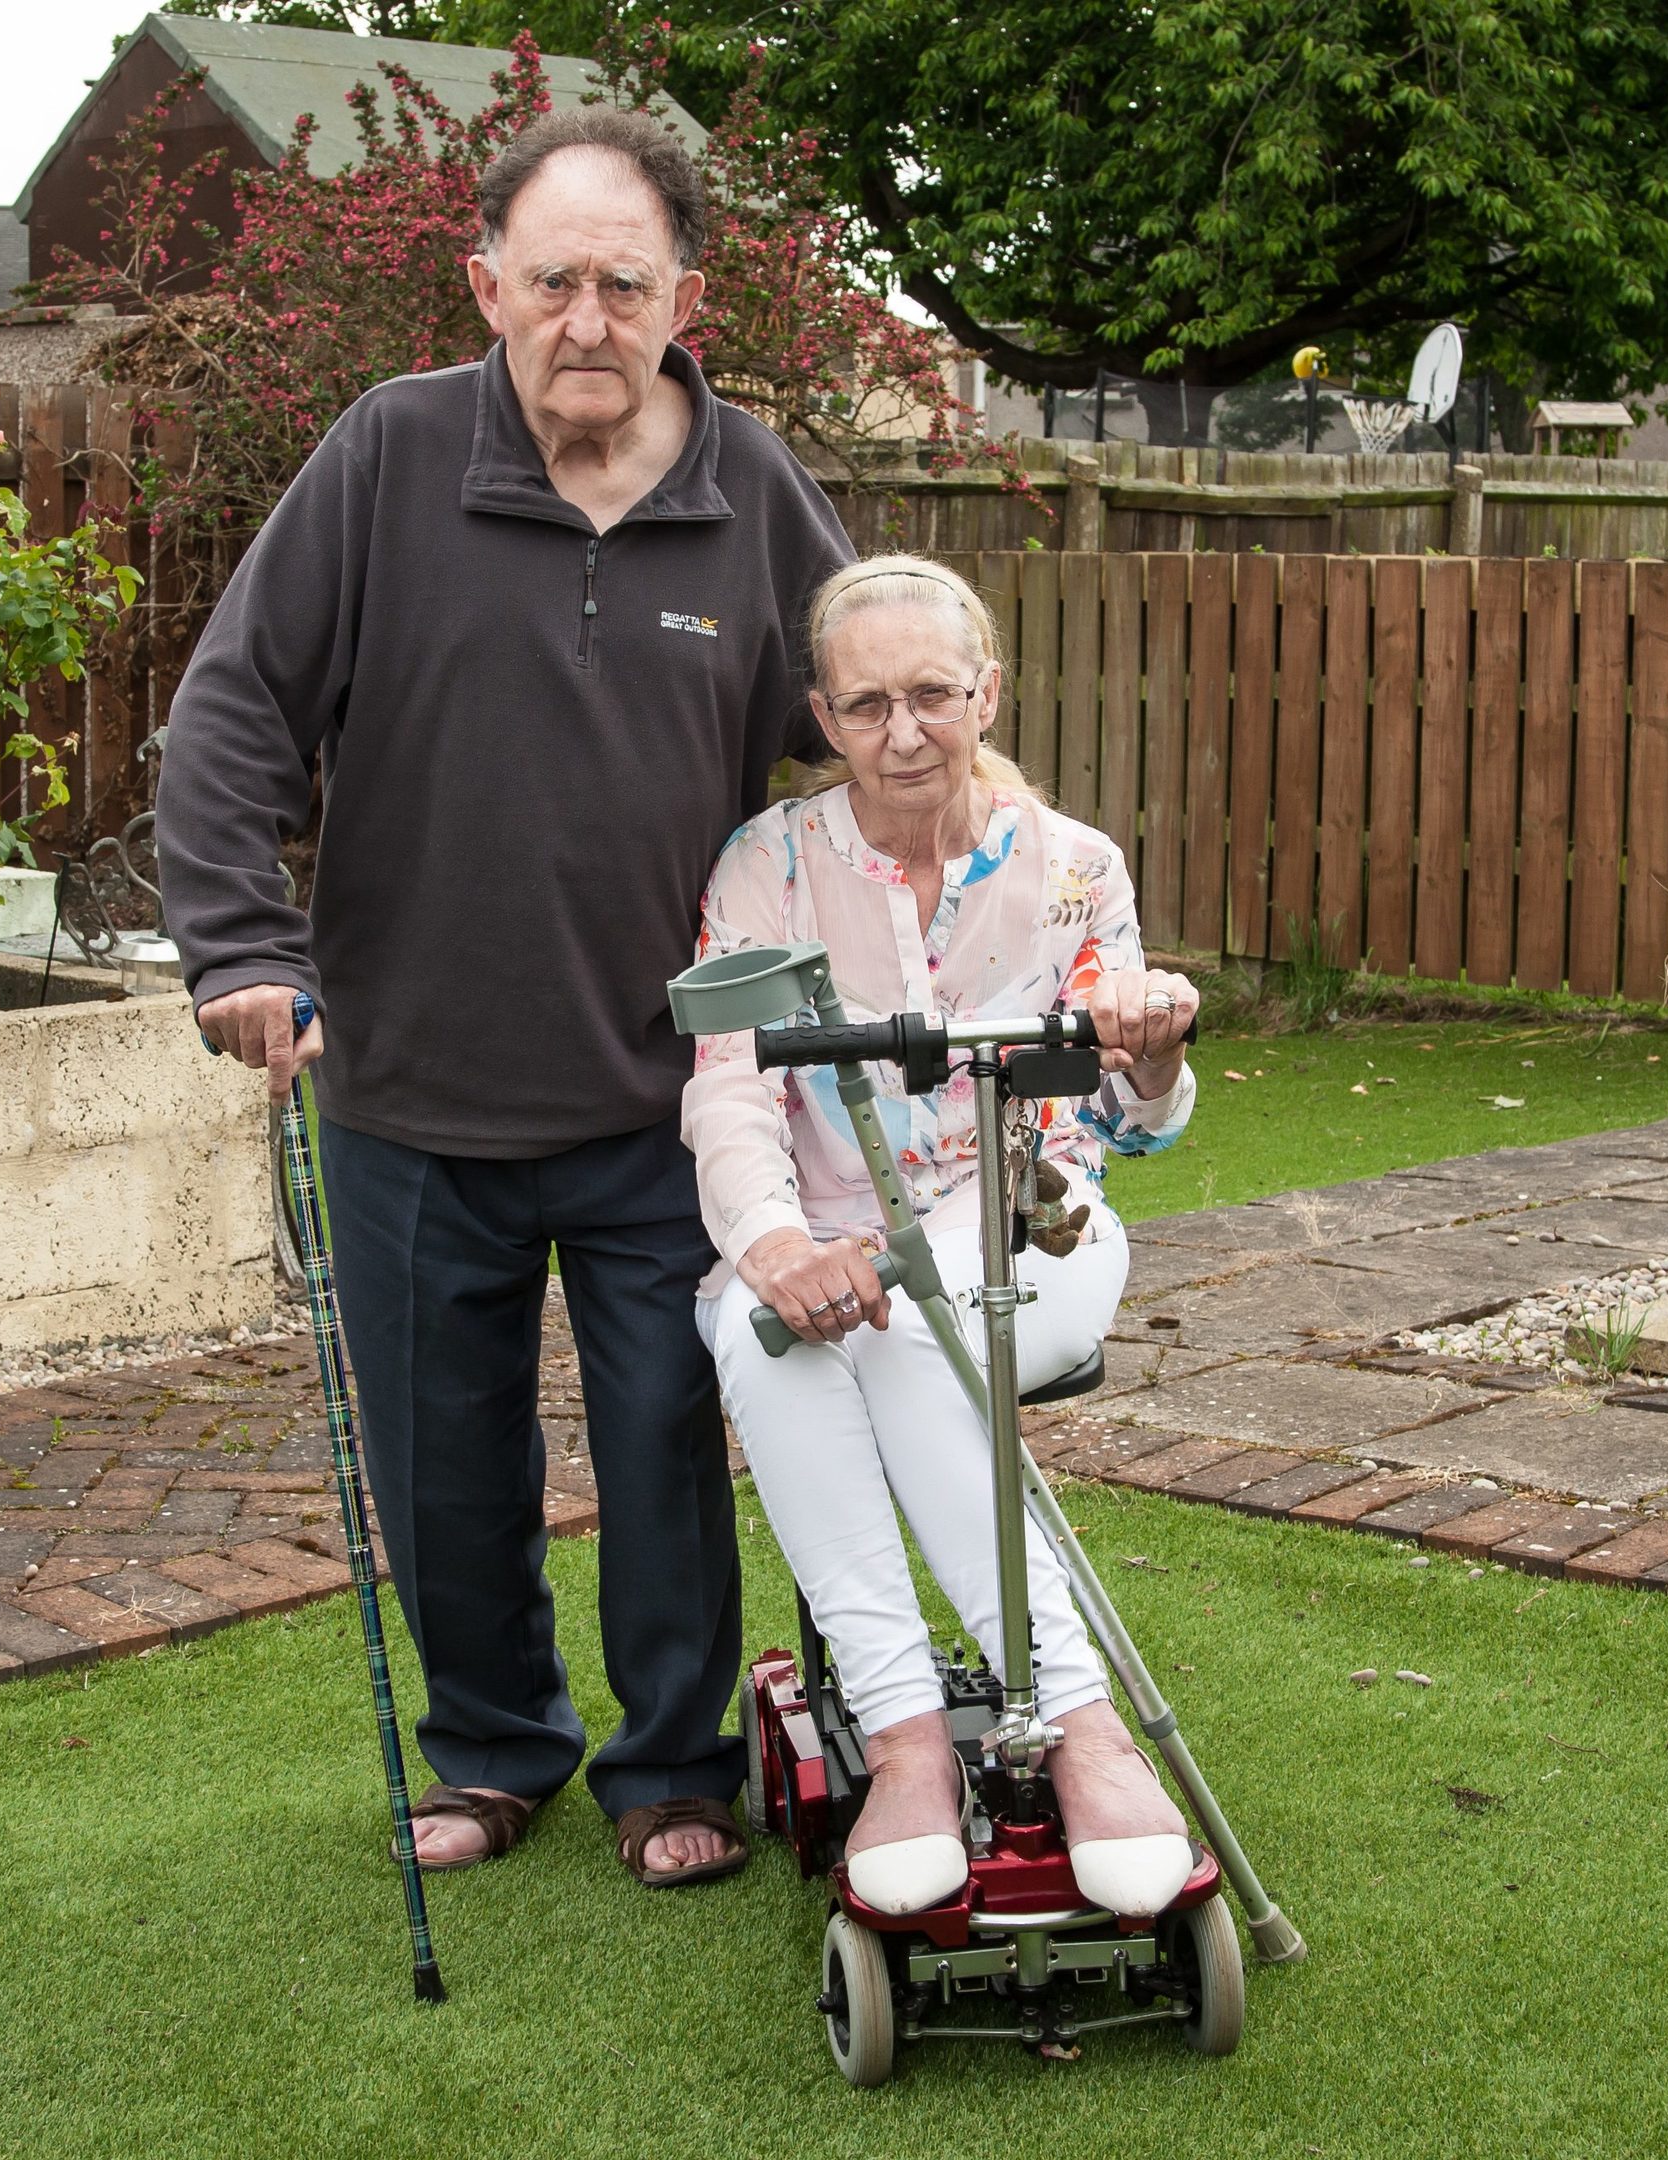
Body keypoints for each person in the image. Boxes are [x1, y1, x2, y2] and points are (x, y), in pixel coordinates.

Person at [160, 106, 853, 1888]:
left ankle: (673, 1768)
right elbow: (236, 709)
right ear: (488, 285)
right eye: (553, 280)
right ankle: (489, 1749)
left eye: (627, 282)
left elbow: (870, 727)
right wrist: (241, 943)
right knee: (444, 1459)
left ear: (684, 296)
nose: (589, 317)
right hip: (406, 1087)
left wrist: (996, 879)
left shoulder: (751, 489)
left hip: (666, 1100)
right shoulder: (388, 457)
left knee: (662, 1448)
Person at [681, 554, 1207, 1919]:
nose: (902, 732)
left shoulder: (1077, 868)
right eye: (865, 707)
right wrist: (779, 1250)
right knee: (762, 1329)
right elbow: (729, 1088)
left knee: (914, 1322)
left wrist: (1152, 1054)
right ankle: (913, 1737)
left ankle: (1072, 1729)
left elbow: (1133, 1118)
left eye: (931, 695)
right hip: (834, 1237)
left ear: (987, 689)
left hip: (1037, 1230)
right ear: (822, 712)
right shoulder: (767, 865)